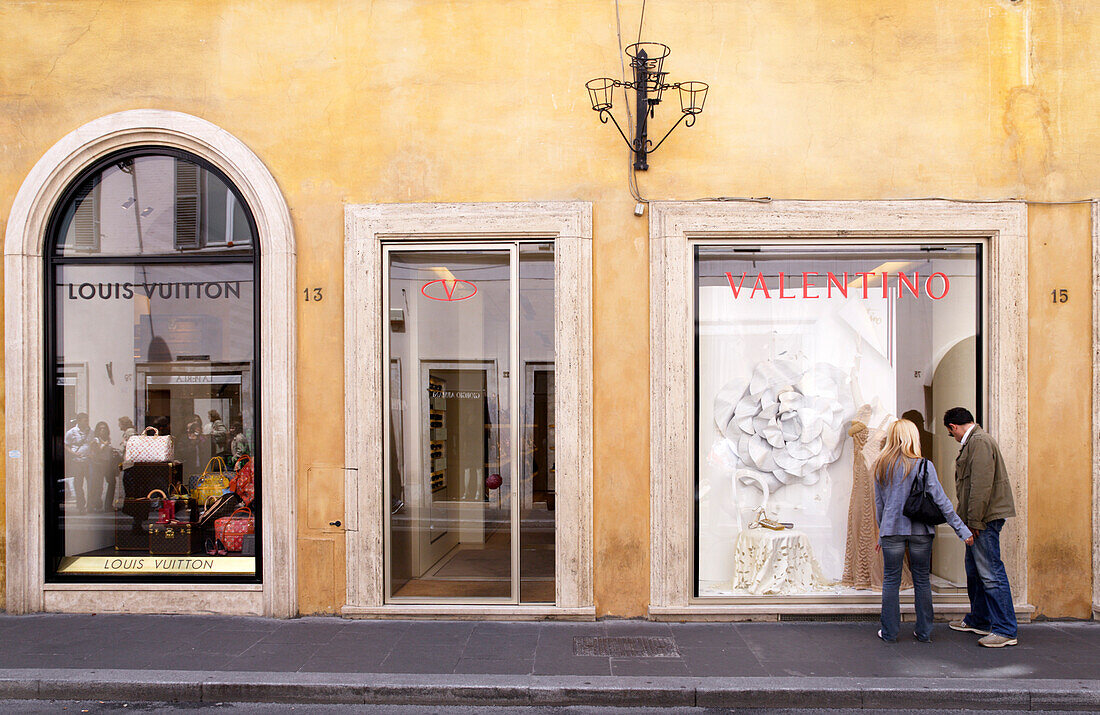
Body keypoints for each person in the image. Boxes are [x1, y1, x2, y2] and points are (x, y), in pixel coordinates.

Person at [873, 418, 973, 643]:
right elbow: (942, 501)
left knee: (891, 581)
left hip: (892, 530)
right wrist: (962, 530)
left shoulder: (881, 465)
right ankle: (924, 632)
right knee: (921, 580)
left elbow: (879, 504)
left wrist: (881, 532)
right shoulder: (923, 465)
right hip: (920, 531)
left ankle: (889, 632)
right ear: (913, 438)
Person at [943, 407, 1019, 648]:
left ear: (953, 427)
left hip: (983, 520)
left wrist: (974, 521)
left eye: (950, 433)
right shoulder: (975, 442)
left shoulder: (980, 442)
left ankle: (1005, 629)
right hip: (977, 519)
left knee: (990, 573)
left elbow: (981, 485)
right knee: (975, 571)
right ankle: (980, 619)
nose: (952, 437)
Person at [63, 413, 91, 512]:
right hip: (77, 462)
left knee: (91, 483)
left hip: (88, 461)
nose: (87, 422)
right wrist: (74, 453)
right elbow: (66, 445)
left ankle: (90, 505)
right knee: (78, 484)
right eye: (85, 420)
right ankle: (81, 505)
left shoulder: (90, 431)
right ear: (79, 421)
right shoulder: (71, 432)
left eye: (87, 420)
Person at [88, 421, 118, 511]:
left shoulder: (107, 439)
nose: (102, 430)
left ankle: (108, 505)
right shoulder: (96, 440)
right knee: (98, 485)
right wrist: (104, 445)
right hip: (98, 464)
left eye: (104, 428)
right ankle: (96, 504)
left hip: (108, 464)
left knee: (112, 483)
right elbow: (95, 452)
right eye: (100, 428)